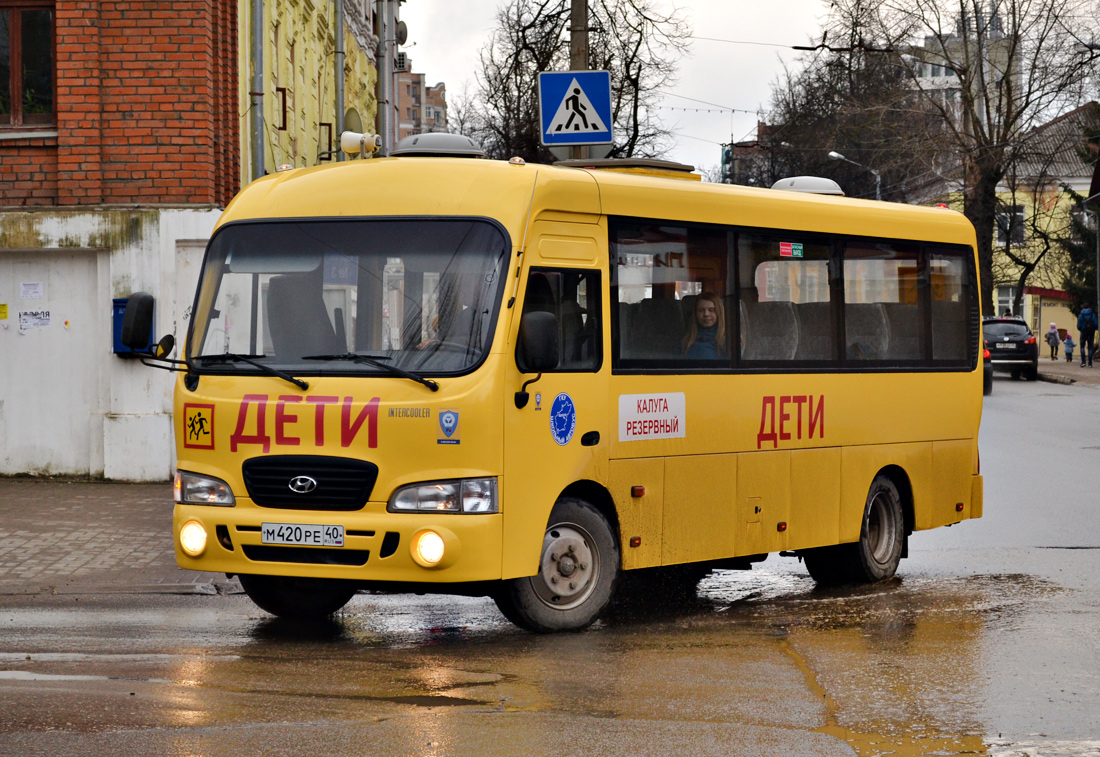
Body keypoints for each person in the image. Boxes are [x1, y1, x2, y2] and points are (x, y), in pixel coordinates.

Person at [682, 292, 726, 359]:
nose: (706, 314)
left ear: (719, 312)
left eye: (711, 310)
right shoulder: (685, 342)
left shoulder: (728, 341)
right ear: (695, 314)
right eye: (701, 310)